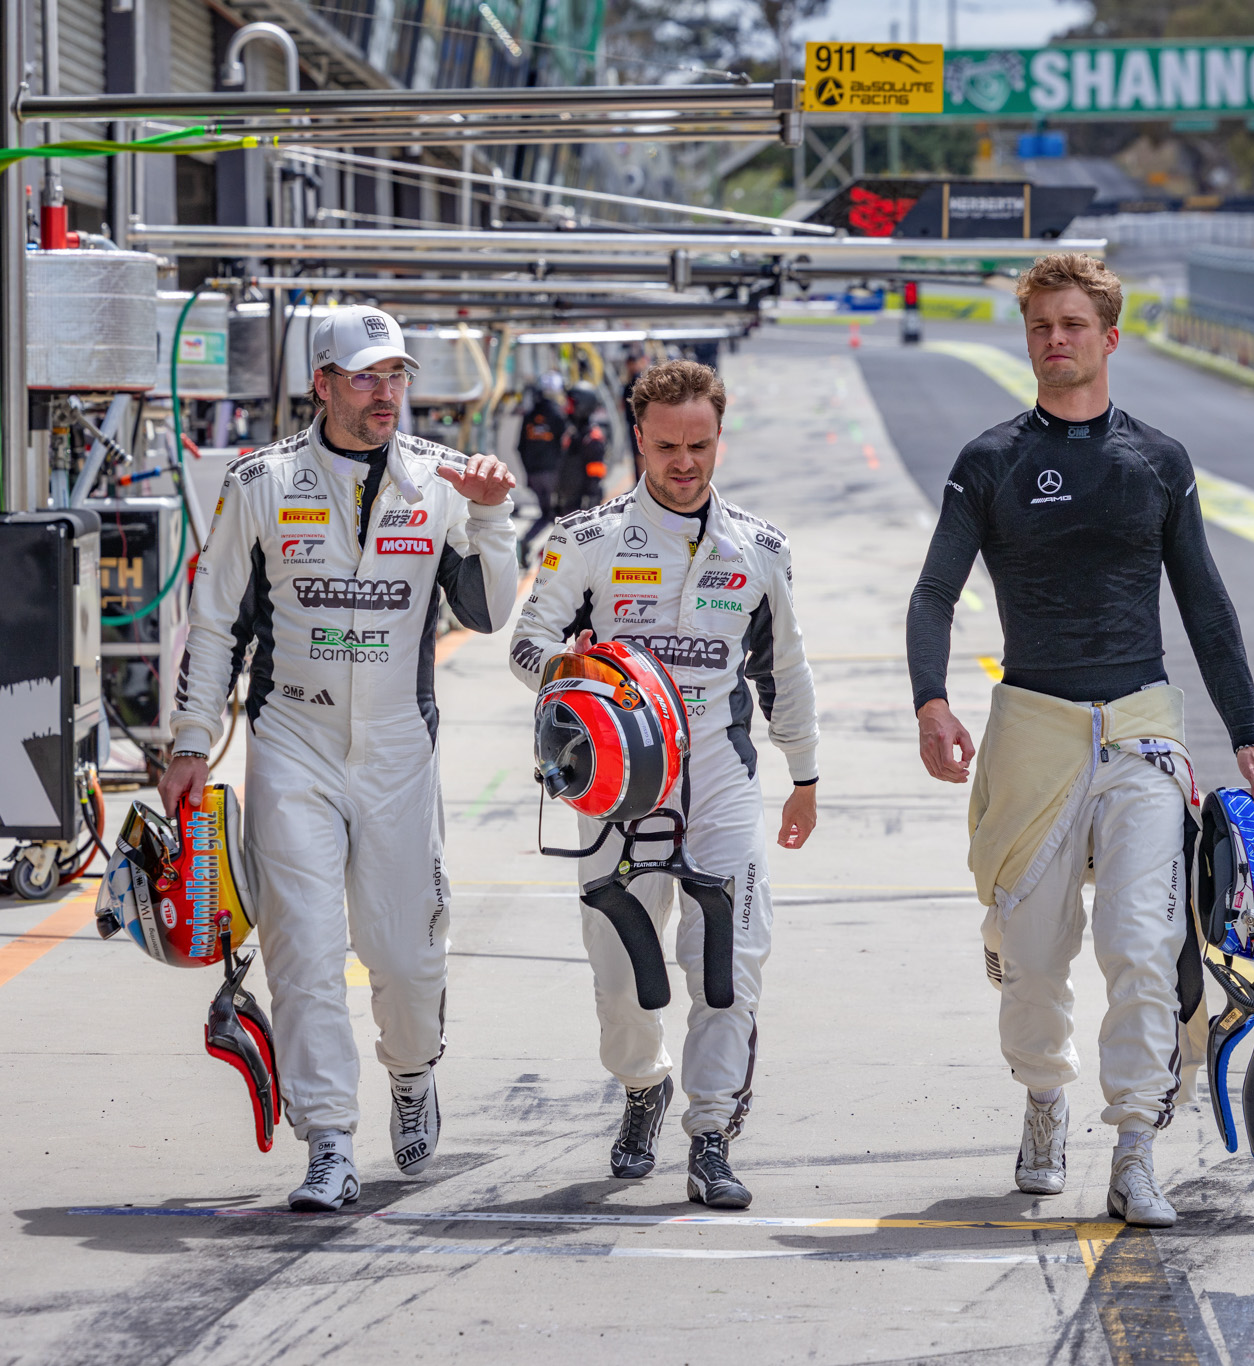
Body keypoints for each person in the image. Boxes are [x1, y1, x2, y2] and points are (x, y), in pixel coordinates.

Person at [906, 253, 1254, 1228]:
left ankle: (1132, 1148)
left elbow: (1204, 602)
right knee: (1032, 954)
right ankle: (1041, 1096)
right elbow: (935, 589)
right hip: (1030, 725)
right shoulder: (988, 462)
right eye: (1039, 326)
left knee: (1139, 942)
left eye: (1071, 324)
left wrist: (1245, 734)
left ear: (1108, 336)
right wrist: (930, 700)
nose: (1053, 339)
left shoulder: (1157, 461)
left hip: (1142, 730)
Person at [165, 305, 518, 1211]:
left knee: (404, 956)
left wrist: (492, 518)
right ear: (321, 383)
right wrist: (192, 742)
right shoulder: (259, 482)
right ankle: (327, 1139)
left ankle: (411, 1073)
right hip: (295, 744)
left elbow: (488, 614)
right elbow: (214, 629)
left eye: (395, 375)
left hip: (399, 749)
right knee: (305, 953)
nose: (385, 393)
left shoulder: (442, 479)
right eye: (365, 377)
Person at [510, 359, 820, 1210]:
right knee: (619, 977)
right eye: (668, 446)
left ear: (721, 436)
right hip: (618, 784)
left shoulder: (759, 549)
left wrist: (805, 775)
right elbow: (524, 642)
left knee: (728, 963)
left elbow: (785, 671)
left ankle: (712, 1131)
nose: (685, 462)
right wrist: (562, 667)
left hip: (719, 779)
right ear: (638, 437)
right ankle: (643, 1084)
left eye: (701, 444)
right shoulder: (586, 540)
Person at [517, 371, 569, 561]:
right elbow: (566, 446)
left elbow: (520, 447)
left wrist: (529, 474)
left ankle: (529, 544)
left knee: (548, 514)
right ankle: (542, 551)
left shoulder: (529, 415)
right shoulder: (558, 415)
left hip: (534, 474)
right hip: (552, 474)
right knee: (558, 515)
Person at [555, 381, 610, 516]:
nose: (566, 408)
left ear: (583, 406)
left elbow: (596, 475)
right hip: (568, 501)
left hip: (581, 506)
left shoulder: (592, 438)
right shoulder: (573, 433)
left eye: (571, 404)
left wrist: (590, 504)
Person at [618, 347, 649, 477]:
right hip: (635, 423)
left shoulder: (637, 381)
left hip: (639, 423)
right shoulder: (633, 380)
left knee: (640, 454)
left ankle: (643, 481)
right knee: (638, 454)